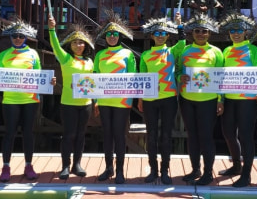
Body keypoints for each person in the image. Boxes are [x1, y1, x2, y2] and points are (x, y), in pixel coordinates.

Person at [137, 13, 184, 185]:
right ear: (151, 36)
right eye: (156, 33)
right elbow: (142, 77)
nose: (160, 36)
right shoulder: (145, 55)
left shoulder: (172, 51)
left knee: (165, 136)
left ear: (167, 36)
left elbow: (182, 43)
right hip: (149, 100)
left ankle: (165, 170)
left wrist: (179, 25)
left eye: (163, 33)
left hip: (169, 98)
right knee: (151, 135)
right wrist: (140, 99)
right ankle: (153, 170)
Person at [177, 13, 224, 186]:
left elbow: (221, 78)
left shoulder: (216, 52)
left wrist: (221, 100)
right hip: (187, 99)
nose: (200, 34)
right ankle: (195, 169)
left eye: (204, 31)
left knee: (205, 136)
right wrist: (180, 77)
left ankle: (208, 172)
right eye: (197, 31)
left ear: (209, 33)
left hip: (209, 100)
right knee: (192, 136)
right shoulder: (185, 50)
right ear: (192, 33)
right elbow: (178, 71)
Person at [48, 16, 96, 180]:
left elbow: (95, 83)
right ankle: (65, 166)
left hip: (86, 104)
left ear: (85, 45)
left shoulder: (90, 61)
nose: (78, 45)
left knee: (81, 134)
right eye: (75, 42)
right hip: (68, 103)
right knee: (69, 134)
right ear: (70, 45)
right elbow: (54, 45)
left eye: (81, 42)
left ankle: (77, 164)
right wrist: (52, 29)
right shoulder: (65, 58)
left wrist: (96, 101)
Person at [0, 19, 45, 182]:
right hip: (10, 100)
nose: (18, 38)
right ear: (10, 37)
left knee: (28, 133)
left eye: (21, 36)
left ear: (26, 37)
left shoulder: (33, 53)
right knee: (9, 133)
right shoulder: (3, 54)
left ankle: (29, 165)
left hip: (30, 99)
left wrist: (49, 82)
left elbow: (40, 76)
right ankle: (5, 166)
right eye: (15, 36)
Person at [219, 12, 257, 187]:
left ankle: (246, 174)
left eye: (239, 30)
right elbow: (219, 77)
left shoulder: (253, 50)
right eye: (232, 31)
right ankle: (236, 166)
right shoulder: (226, 50)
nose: (235, 33)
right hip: (229, 98)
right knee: (228, 133)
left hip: (248, 99)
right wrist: (220, 99)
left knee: (245, 136)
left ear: (246, 32)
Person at [94, 11, 136, 184]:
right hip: (104, 101)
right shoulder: (99, 55)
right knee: (107, 135)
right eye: (109, 34)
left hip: (122, 101)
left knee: (119, 136)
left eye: (115, 34)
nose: (112, 37)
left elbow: (133, 78)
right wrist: (95, 101)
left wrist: (130, 100)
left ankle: (120, 171)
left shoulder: (128, 55)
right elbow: (95, 78)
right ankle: (108, 168)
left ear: (120, 36)